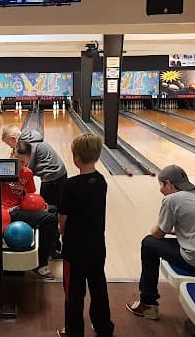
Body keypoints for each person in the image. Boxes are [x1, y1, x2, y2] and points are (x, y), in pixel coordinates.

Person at [126, 165, 195, 320]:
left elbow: (157, 234)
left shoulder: (171, 199)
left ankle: (148, 304)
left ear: (169, 184)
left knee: (148, 243)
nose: (160, 189)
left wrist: (158, 227)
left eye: (161, 185)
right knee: (164, 242)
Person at [57, 134, 113, 337]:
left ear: (76, 158)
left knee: (74, 292)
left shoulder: (70, 185)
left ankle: (73, 331)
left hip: (74, 249)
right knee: (99, 287)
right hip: (97, 246)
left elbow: (63, 218)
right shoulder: (101, 181)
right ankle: (103, 327)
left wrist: (62, 234)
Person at [0, 140, 58, 279]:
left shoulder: (27, 173)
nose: (19, 165)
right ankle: (41, 264)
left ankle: (49, 249)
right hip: (7, 212)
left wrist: (41, 206)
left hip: (21, 209)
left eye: (23, 162)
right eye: (17, 161)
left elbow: (31, 195)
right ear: (12, 153)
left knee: (53, 209)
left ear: (29, 160)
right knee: (49, 219)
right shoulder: (2, 168)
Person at [1, 125, 66, 255]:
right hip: (60, 174)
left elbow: (23, 171)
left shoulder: (30, 148)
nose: (11, 150)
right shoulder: (33, 140)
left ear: (14, 139)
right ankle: (53, 247)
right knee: (50, 213)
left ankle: (49, 248)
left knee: (47, 214)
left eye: (10, 146)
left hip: (51, 178)